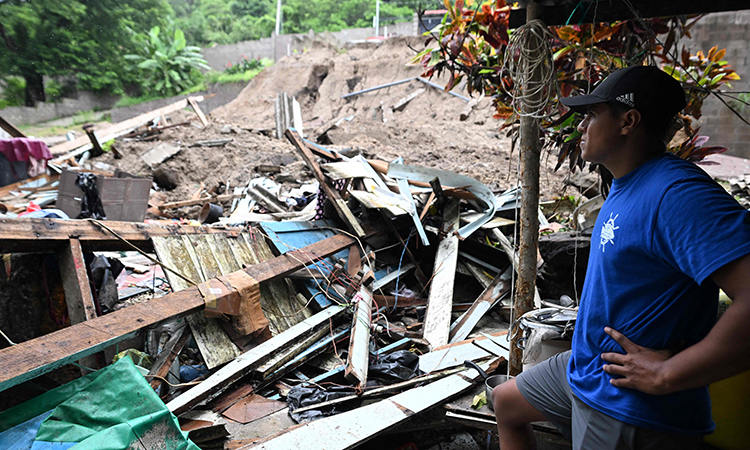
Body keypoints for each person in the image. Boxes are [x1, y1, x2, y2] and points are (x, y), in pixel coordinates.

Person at [492, 65, 750, 450]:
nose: (581, 127)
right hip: (588, 369)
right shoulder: (627, 181)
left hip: (627, 404)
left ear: (628, 121)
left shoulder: (677, 194)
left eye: (593, 115)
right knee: (505, 401)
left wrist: (668, 373)